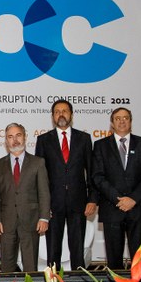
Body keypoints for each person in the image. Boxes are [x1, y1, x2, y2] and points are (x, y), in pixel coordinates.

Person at [34, 99, 98, 270]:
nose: (61, 114)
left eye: (65, 111)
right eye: (57, 111)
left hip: (79, 203)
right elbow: (39, 177)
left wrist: (92, 199)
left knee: (77, 250)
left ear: (71, 114)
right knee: (53, 251)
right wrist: (43, 206)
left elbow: (91, 171)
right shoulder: (43, 140)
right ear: (53, 116)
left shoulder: (84, 138)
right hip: (53, 204)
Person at [92, 107, 141, 269]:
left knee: (140, 259)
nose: (122, 121)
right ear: (112, 123)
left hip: (138, 207)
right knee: (114, 260)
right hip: (112, 208)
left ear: (131, 121)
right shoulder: (100, 146)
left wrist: (133, 198)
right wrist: (117, 199)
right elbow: (97, 176)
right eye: (118, 118)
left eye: (125, 118)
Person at [0, 123, 50, 272]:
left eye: (18, 135)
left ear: (24, 137)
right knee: (7, 266)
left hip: (31, 221)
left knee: (30, 266)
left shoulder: (38, 162)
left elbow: (44, 192)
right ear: (6, 140)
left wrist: (44, 217)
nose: (14, 140)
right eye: (10, 137)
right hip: (6, 223)